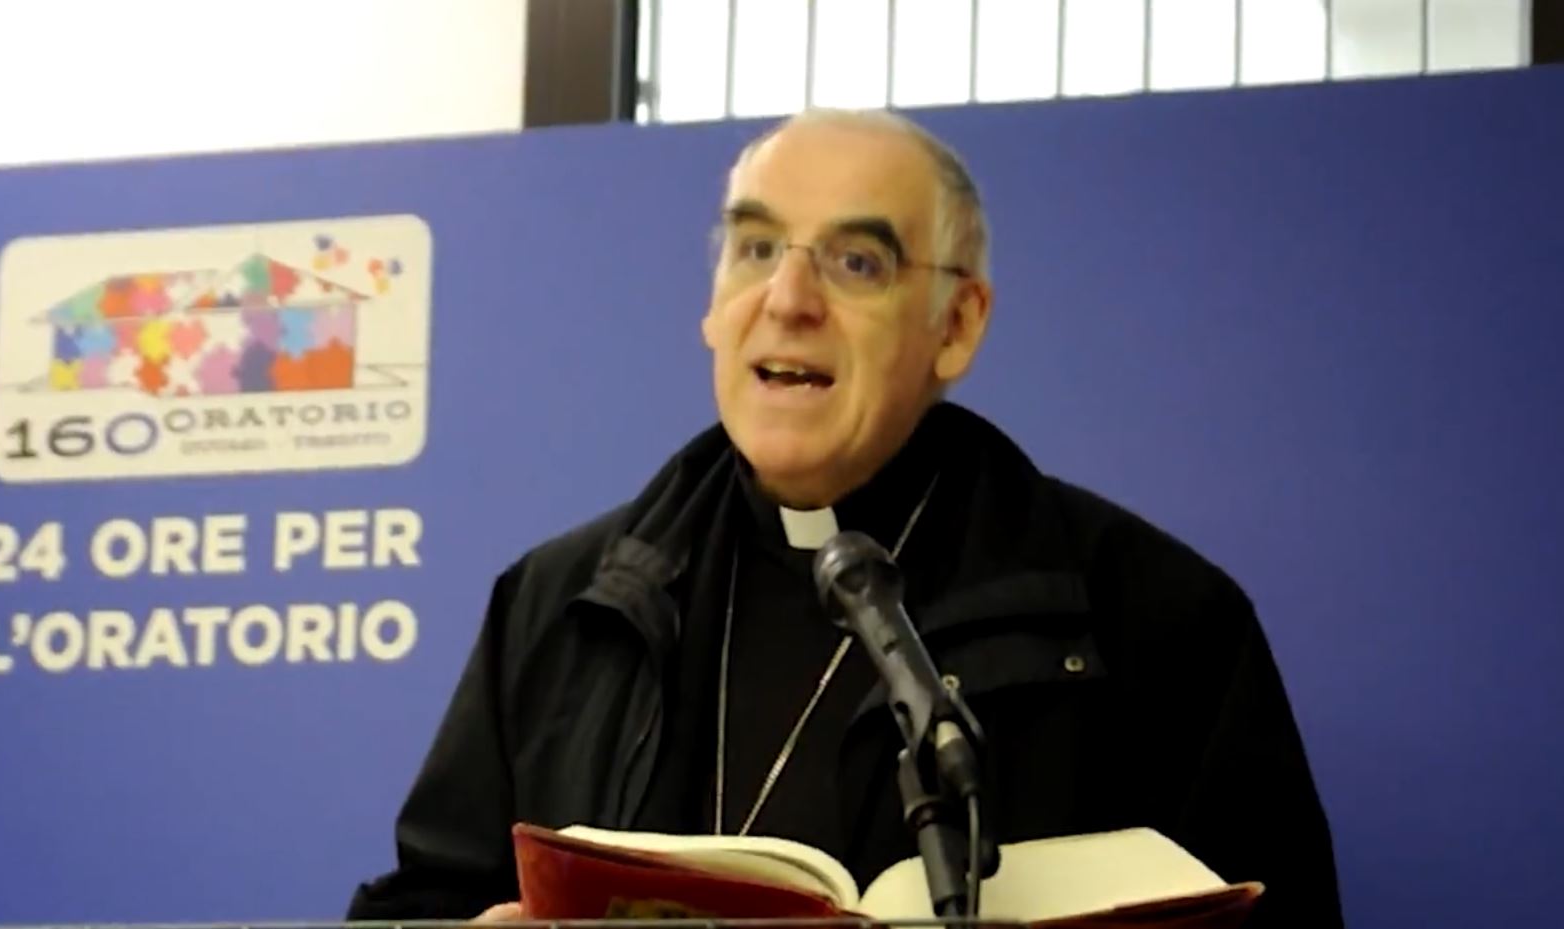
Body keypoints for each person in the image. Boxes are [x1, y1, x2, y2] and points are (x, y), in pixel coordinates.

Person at [346, 108, 1344, 928]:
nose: (788, 299)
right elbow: (422, 899)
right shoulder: (559, 605)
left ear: (957, 325)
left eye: (857, 262)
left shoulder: (1153, 617)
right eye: (755, 248)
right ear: (712, 304)